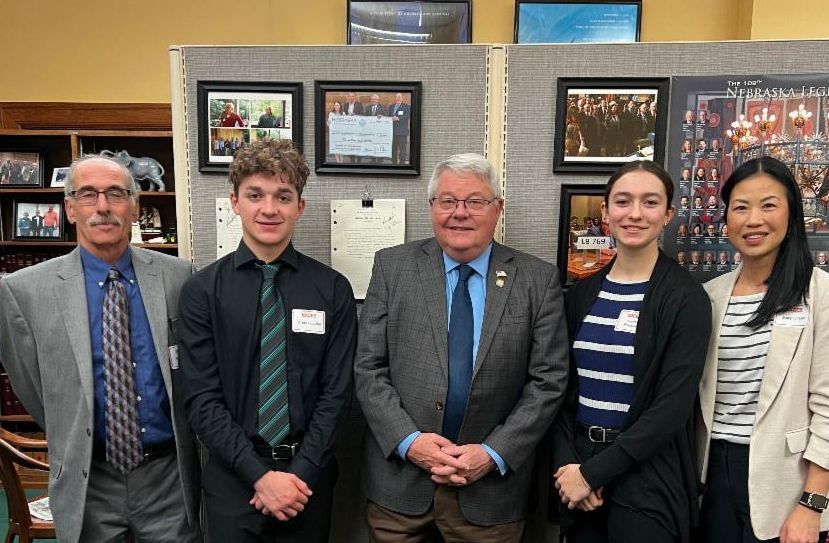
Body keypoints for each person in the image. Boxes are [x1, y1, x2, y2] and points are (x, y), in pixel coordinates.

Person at [354, 153, 568, 542]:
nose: (460, 213)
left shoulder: (537, 280)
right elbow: (369, 368)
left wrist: (492, 453)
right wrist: (409, 442)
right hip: (400, 486)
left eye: (475, 201)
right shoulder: (392, 267)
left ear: (497, 208)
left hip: (490, 494)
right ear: (431, 207)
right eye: (448, 201)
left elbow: (548, 381)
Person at [0, 156, 200, 542]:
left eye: (116, 194)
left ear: (136, 206)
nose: (103, 206)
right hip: (88, 478)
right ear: (70, 208)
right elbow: (31, 386)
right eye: (88, 194)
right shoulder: (23, 291)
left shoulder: (178, 277)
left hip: (167, 479)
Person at [178, 139, 356, 542]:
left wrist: (297, 477)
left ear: (300, 206)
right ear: (235, 202)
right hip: (232, 481)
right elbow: (201, 399)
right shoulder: (202, 292)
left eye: (283, 196)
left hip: (307, 480)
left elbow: (337, 394)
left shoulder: (332, 290)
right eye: (255, 195)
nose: (270, 209)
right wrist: (259, 477)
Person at [552, 160, 710, 543]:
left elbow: (670, 410)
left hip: (648, 478)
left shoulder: (686, 299)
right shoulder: (581, 294)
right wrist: (569, 467)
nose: (635, 214)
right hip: (579, 472)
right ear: (605, 211)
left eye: (650, 202)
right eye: (623, 201)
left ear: (668, 214)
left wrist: (594, 474)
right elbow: (560, 390)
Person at [697, 156, 829, 542]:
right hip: (712, 473)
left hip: (788, 481)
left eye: (768, 205)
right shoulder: (710, 295)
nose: (753, 220)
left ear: (791, 216)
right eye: (740, 208)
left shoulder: (819, 293)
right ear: (727, 221)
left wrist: (813, 503)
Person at [389, 92, 411, 165]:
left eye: (399, 97)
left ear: (402, 98)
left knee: (402, 150)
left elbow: (407, 116)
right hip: (393, 132)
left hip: (402, 132)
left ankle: (402, 164)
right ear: (395, 98)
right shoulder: (391, 106)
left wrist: (398, 118)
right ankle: (394, 163)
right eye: (397, 97)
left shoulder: (406, 107)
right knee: (393, 149)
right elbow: (388, 116)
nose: (398, 98)